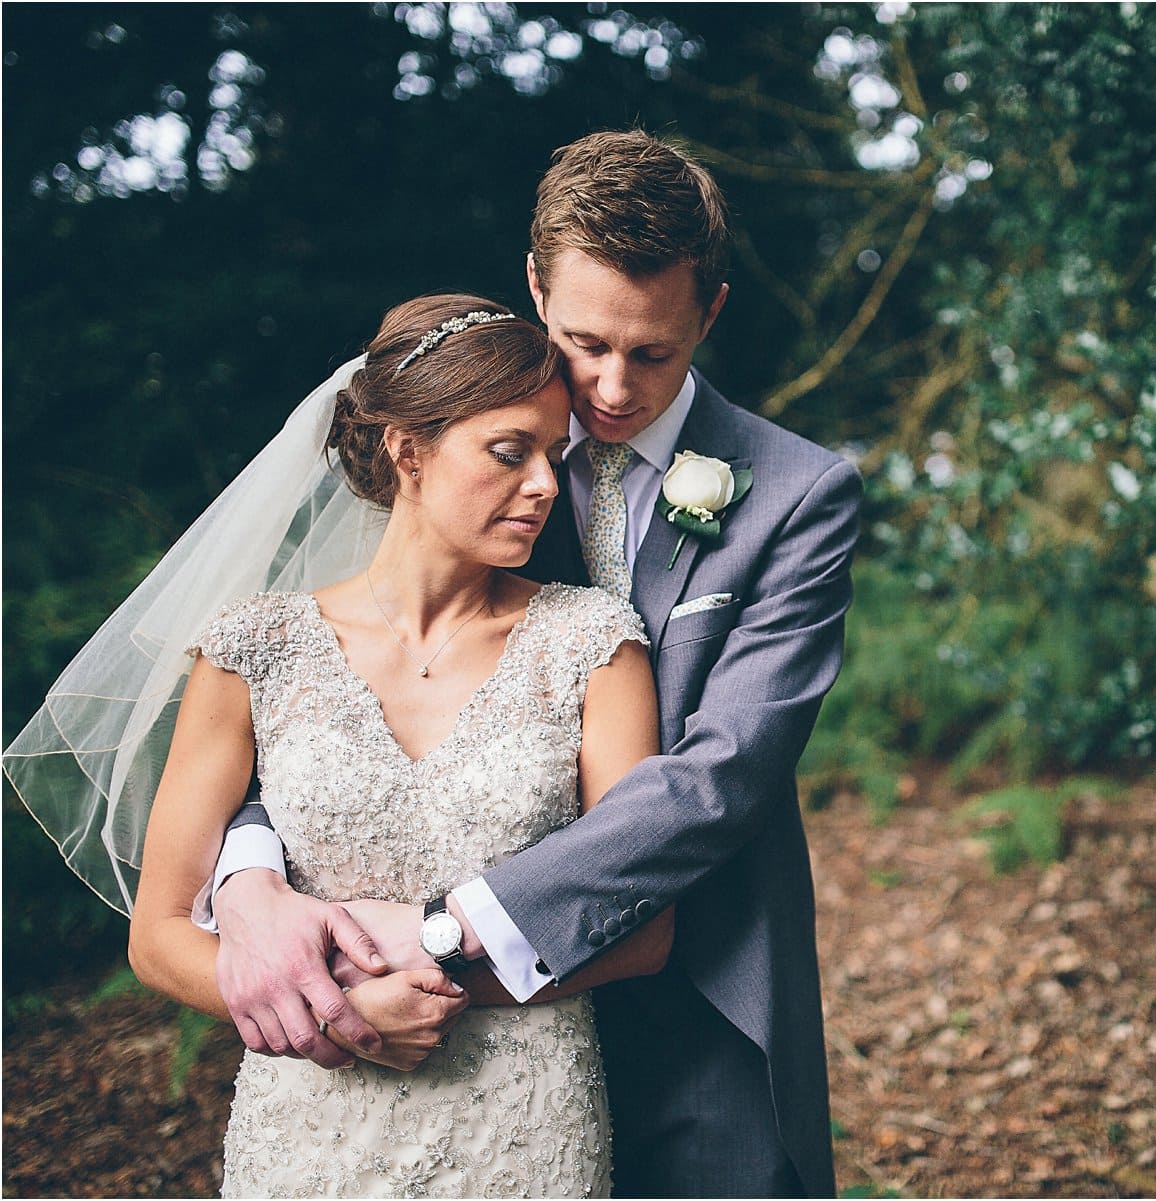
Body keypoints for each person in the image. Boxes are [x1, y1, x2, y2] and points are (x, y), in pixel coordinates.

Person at [206, 129, 862, 1198]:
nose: (610, 385)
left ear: (712, 311)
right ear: (532, 287)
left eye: (653, 352)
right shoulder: (473, 457)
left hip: (692, 987)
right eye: (584, 340)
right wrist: (249, 880)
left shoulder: (797, 497)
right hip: (449, 1046)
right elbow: (333, 688)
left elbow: (719, 777)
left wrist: (443, 929)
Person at [117, 291, 675, 1195]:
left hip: (526, 1126)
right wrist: (339, 1017)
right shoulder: (254, 649)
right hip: (308, 1129)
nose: (543, 484)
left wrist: (440, 977)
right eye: (510, 452)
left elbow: (643, 927)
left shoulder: (593, 643)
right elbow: (160, 933)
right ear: (406, 449)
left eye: (553, 455)